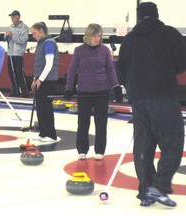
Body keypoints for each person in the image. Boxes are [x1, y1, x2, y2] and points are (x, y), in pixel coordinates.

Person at [118, 2, 186, 207]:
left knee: (143, 146)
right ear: (156, 15)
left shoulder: (129, 39)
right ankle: (159, 185)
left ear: (139, 17)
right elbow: (183, 62)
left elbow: (121, 68)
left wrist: (133, 86)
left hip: (138, 98)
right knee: (173, 143)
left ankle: (146, 190)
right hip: (163, 96)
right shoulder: (170, 34)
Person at [65, 24, 122, 161]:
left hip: (102, 92)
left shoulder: (105, 50)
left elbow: (110, 69)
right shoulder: (79, 50)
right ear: (88, 36)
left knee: (101, 123)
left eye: (99, 35)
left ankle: (100, 150)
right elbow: (72, 70)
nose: (97, 38)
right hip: (84, 92)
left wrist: (116, 86)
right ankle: (82, 149)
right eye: (95, 35)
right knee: (83, 123)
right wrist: (68, 88)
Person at [31, 22, 59, 142]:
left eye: (34, 32)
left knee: (46, 108)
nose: (33, 35)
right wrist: (35, 79)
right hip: (40, 80)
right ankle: (43, 132)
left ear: (41, 30)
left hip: (48, 81)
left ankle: (51, 134)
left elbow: (49, 64)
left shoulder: (49, 43)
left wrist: (40, 80)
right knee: (40, 107)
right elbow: (39, 65)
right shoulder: (41, 43)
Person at [5, 10, 29, 97]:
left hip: (18, 54)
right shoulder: (10, 26)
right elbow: (6, 37)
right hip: (10, 53)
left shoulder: (24, 27)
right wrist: (6, 35)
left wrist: (12, 36)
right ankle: (15, 90)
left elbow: (23, 40)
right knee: (10, 72)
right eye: (11, 17)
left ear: (18, 17)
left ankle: (24, 91)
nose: (11, 19)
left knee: (19, 73)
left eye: (13, 17)